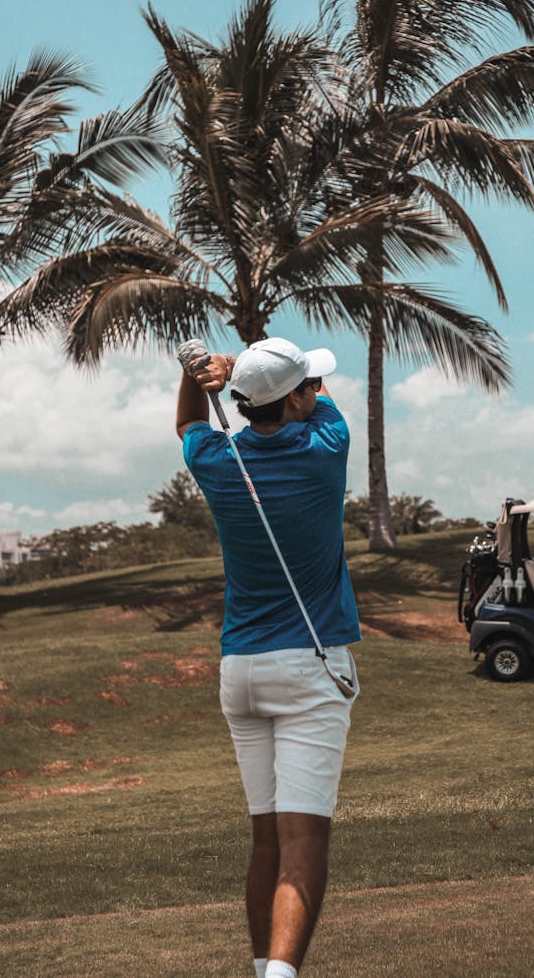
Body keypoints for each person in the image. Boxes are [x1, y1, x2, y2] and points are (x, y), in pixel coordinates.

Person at [176, 336, 361, 978]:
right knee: (302, 842)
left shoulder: (218, 462)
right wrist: (245, 375)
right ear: (293, 400)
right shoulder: (325, 450)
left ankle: (264, 969)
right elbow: (322, 402)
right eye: (307, 385)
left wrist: (201, 377)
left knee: (264, 836)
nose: (317, 390)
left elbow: (188, 424)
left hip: (241, 672)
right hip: (307, 671)